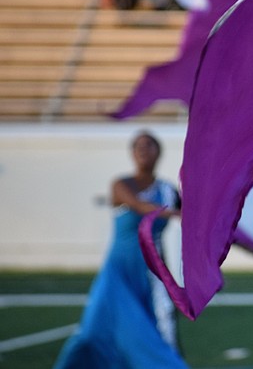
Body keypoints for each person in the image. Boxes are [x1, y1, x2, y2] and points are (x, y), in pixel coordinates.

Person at [54, 131, 187, 369]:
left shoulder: (168, 190)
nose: (144, 150)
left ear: (159, 152)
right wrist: (174, 212)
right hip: (118, 271)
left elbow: (196, 221)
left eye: (150, 145)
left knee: (160, 327)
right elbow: (138, 205)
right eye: (139, 146)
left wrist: (238, 241)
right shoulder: (121, 185)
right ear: (132, 153)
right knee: (93, 330)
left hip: (151, 272)